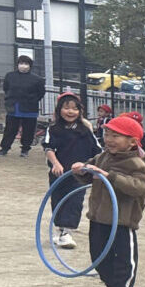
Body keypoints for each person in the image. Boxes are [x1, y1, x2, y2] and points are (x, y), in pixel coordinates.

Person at [71, 115, 145, 287]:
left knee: (124, 261)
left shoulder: (136, 164)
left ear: (132, 141)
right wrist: (81, 170)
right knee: (99, 258)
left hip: (122, 221)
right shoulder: (102, 157)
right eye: (107, 134)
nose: (109, 139)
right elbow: (89, 173)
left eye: (116, 136)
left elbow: (140, 187)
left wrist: (110, 176)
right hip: (98, 219)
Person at [42, 92, 101, 250]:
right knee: (58, 200)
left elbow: (97, 150)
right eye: (66, 108)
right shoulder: (53, 129)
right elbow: (48, 148)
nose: (70, 112)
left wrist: (92, 166)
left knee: (75, 201)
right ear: (59, 109)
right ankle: (61, 230)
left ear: (80, 111)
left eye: (75, 109)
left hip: (80, 174)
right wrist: (55, 164)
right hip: (59, 174)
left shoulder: (85, 130)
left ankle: (66, 232)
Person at [0, 54, 46, 158]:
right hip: (14, 107)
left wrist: (33, 100)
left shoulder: (37, 79)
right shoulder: (10, 76)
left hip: (30, 108)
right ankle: (4, 148)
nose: (23, 66)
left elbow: (41, 92)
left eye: (26, 63)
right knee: (10, 129)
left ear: (30, 66)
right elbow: (6, 88)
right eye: (21, 63)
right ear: (17, 64)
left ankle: (25, 149)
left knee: (29, 130)